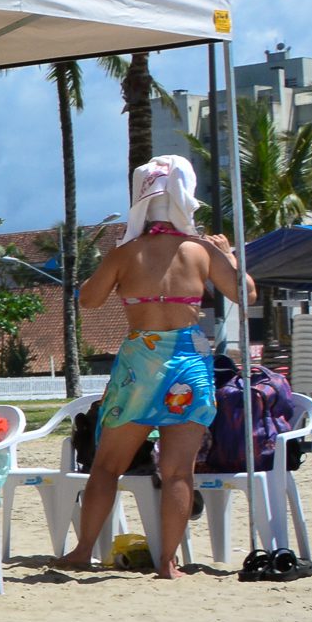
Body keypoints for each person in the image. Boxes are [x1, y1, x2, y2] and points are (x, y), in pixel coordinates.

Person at [50, 155, 254, 579]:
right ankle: (167, 563)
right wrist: (228, 253)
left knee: (107, 465)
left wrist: (111, 267)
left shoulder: (125, 254)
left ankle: (83, 550)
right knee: (178, 471)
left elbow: (87, 300)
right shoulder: (200, 252)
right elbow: (246, 294)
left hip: (141, 363)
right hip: (189, 364)